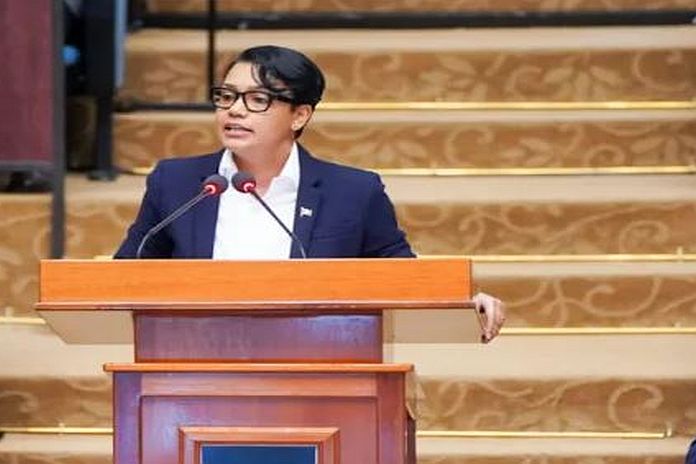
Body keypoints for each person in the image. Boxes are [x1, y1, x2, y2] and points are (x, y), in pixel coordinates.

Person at [115, 45, 505, 342]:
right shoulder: (178, 183)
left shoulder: (352, 192)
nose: (234, 111)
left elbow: (401, 276)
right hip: (195, 365)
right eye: (227, 96)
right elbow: (126, 274)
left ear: (300, 115)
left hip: (317, 366)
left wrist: (462, 302)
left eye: (257, 100)